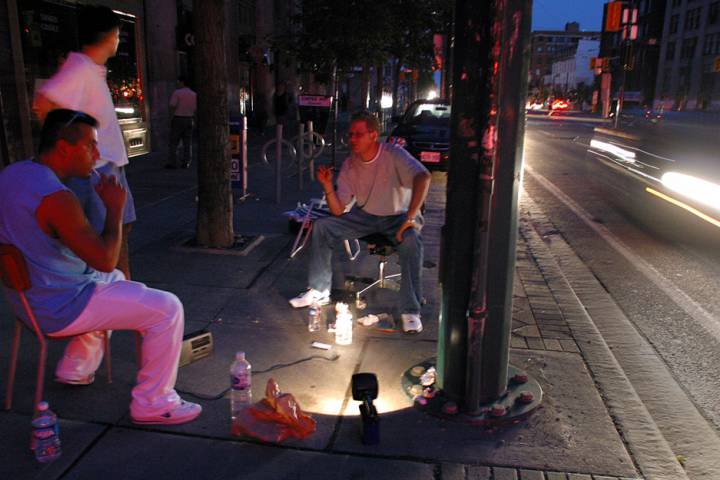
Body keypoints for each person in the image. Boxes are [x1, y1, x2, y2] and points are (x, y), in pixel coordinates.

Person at [0, 109, 201, 425]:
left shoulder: (12, 174)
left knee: (115, 279)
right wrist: (115, 210)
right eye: (90, 146)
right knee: (167, 309)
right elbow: (105, 256)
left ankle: (76, 368)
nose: (97, 154)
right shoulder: (56, 198)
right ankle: (154, 402)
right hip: (59, 306)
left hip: (25, 300)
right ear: (65, 147)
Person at [289, 111, 431, 333]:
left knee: (412, 242)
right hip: (366, 216)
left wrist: (411, 216)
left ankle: (410, 310)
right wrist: (327, 186)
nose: (352, 139)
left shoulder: (393, 154)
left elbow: (424, 177)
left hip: (399, 216)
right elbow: (338, 210)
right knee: (323, 226)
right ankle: (319, 290)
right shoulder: (350, 165)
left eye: (358, 134)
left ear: (373, 135)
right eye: (350, 134)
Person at [32, 5, 135, 279]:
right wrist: (70, 148)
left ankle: (125, 294)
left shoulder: (90, 69)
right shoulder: (79, 68)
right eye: (118, 34)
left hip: (107, 165)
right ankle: (116, 300)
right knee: (107, 241)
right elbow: (43, 102)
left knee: (121, 231)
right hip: (97, 169)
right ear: (111, 35)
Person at [167, 77, 197, 169]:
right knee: (187, 142)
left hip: (178, 118)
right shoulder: (194, 94)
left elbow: (172, 105)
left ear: (182, 82)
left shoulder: (177, 93)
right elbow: (196, 108)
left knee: (174, 142)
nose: (177, 84)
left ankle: (173, 162)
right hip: (189, 119)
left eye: (178, 82)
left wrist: (171, 117)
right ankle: (186, 161)